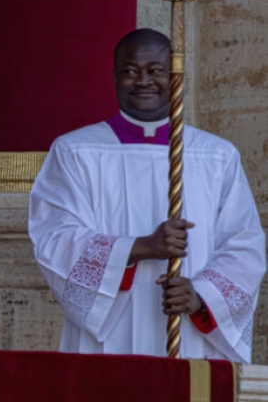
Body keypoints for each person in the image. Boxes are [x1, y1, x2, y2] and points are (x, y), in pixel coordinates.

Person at [28, 28, 265, 362]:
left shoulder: (216, 156)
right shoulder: (75, 151)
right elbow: (54, 239)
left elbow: (245, 247)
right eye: (130, 71)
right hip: (107, 340)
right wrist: (140, 247)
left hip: (187, 332)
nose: (143, 81)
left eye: (156, 71)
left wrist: (200, 296)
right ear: (114, 77)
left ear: (176, 77)